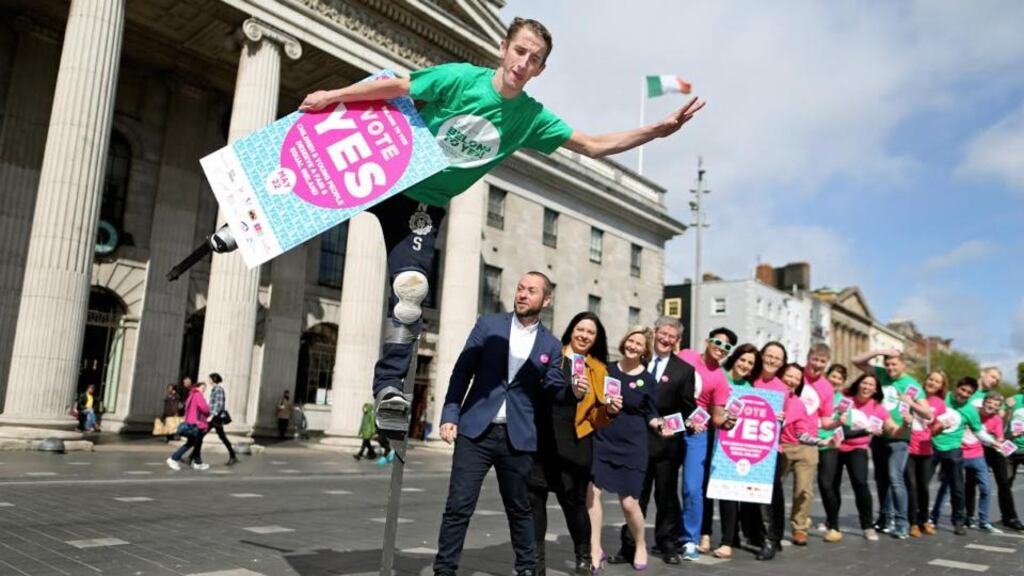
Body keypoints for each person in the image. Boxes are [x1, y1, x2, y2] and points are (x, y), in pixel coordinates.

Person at [298, 18, 705, 430]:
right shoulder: (459, 78)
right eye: (521, 51)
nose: (524, 63)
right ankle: (237, 230)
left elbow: (593, 145)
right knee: (308, 193)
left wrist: (655, 131)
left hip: (423, 204)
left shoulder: (529, 117)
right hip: (387, 170)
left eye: (535, 59)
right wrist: (334, 96)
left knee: (410, 293)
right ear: (504, 48)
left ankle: (387, 388)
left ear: (541, 70)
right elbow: (398, 86)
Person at [432, 272, 565, 576]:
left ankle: (527, 569)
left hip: (517, 439)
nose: (522, 294)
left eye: (531, 291)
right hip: (475, 432)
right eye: (520, 288)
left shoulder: (551, 346)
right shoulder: (488, 326)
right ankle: (444, 570)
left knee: (520, 510)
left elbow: (554, 389)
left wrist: (573, 388)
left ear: (545, 300)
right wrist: (450, 415)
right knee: (458, 507)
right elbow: (462, 372)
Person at [530, 311, 618, 576]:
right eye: (581, 329)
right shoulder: (550, 355)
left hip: (575, 443)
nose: (584, 335)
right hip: (540, 439)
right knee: (534, 501)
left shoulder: (599, 370)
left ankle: (583, 554)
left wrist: (611, 411)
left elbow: (596, 418)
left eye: (591, 333)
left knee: (575, 504)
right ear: (571, 330)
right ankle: (536, 564)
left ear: (596, 339)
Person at [608, 317, 697, 566]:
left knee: (666, 496)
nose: (666, 339)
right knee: (634, 496)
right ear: (655, 333)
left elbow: (689, 408)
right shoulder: (637, 359)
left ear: (677, 341)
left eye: (672, 336)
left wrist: (689, 424)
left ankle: (667, 544)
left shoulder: (684, 370)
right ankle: (629, 546)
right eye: (663, 333)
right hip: (635, 440)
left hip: (667, 444)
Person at [589, 326, 669, 573]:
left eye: (639, 344)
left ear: (645, 351)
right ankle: (594, 548)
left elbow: (651, 412)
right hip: (603, 436)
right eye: (630, 341)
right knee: (592, 493)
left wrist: (659, 425)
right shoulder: (608, 370)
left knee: (629, 503)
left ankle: (641, 543)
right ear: (624, 342)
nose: (633, 346)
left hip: (633, 443)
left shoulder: (648, 379)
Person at [853, 349, 931, 539]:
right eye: (887, 364)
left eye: (894, 364)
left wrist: (910, 403)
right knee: (881, 480)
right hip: (880, 434)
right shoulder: (880, 374)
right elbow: (856, 360)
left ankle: (902, 522)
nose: (890, 368)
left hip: (900, 437)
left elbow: (928, 413)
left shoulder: (911, 384)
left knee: (895, 478)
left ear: (903, 365)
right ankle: (885, 518)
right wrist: (880, 351)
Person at [674, 327, 736, 561]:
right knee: (664, 484)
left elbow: (718, 417)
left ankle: (690, 538)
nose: (721, 348)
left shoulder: (720, 379)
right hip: (672, 423)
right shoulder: (686, 356)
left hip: (697, 433)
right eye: (717, 342)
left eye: (727, 347)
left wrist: (728, 422)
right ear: (707, 340)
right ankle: (668, 534)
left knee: (692, 488)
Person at [752, 362, 817, 561]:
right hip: (751, 448)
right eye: (789, 376)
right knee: (752, 496)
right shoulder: (759, 387)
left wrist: (819, 440)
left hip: (777, 451)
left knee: (773, 496)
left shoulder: (797, 404)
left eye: (797, 378)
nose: (792, 380)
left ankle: (772, 538)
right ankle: (754, 534)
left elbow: (802, 432)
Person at [831, 373, 900, 541]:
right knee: (832, 485)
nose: (866, 387)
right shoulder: (846, 400)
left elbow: (892, 427)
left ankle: (867, 526)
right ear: (858, 384)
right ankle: (832, 524)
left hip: (858, 449)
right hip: (837, 446)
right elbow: (839, 426)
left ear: (875, 389)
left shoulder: (877, 407)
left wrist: (903, 425)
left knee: (861, 484)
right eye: (864, 383)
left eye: (871, 385)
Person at [784, 343, 840, 546]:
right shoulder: (794, 374)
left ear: (827, 364)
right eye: (815, 359)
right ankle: (766, 523)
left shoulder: (826, 388)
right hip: (783, 440)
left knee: (804, 490)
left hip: (808, 444)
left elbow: (825, 420)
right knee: (773, 487)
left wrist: (838, 422)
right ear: (808, 358)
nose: (818, 364)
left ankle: (799, 527)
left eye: (823, 362)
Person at [930, 376, 1000, 535]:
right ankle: (925, 518)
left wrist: (993, 442)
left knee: (957, 487)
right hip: (932, 445)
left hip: (953, 448)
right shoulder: (943, 398)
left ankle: (959, 521)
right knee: (920, 483)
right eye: (962, 390)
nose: (964, 394)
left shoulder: (970, 410)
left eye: (969, 393)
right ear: (956, 387)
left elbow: (979, 431)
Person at [708, 343, 759, 558]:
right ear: (735, 358)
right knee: (703, 492)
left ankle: (727, 541)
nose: (745, 365)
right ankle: (703, 535)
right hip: (709, 437)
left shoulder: (751, 390)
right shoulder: (719, 376)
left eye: (750, 363)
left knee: (728, 493)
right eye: (743, 359)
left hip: (732, 447)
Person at [975, 368, 1023, 531]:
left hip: (1000, 445)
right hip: (989, 446)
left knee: (1003, 482)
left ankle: (1010, 517)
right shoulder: (1014, 399)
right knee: (1000, 483)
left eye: (997, 378)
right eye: (992, 376)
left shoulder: (1000, 398)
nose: (994, 380)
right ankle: (966, 517)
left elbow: (999, 423)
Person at [906, 371, 948, 537]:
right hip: (908, 446)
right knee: (911, 485)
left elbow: (937, 427)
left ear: (941, 386)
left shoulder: (940, 403)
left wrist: (941, 427)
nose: (932, 383)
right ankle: (913, 522)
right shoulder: (913, 394)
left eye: (937, 382)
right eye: (930, 379)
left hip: (926, 448)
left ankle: (924, 520)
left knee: (923, 486)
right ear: (925, 380)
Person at [816, 364, 848, 542]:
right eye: (833, 376)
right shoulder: (817, 393)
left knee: (826, 484)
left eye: (839, 378)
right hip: (810, 440)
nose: (834, 381)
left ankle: (833, 524)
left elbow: (845, 425)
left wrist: (838, 437)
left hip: (829, 445)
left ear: (842, 382)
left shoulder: (843, 401)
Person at [166, 381, 210, 471]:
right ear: (197, 387)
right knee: (193, 442)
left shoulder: (191, 395)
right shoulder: (198, 395)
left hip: (191, 422)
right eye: (203, 388)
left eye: (204, 389)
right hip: (197, 424)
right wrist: (209, 409)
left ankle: (197, 462)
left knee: (194, 442)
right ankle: (174, 459)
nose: (204, 390)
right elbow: (204, 408)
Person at [206, 373, 238, 465]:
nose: (208, 380)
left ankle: (192, 456)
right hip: (214, 417)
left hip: (216, 418)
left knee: (202, 434)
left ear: (213, 379)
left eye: (209, 378)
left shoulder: (218, 389)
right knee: (222, 437)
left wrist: (212, 416)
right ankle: (233, 456)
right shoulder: (215, 389)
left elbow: (219, 404)